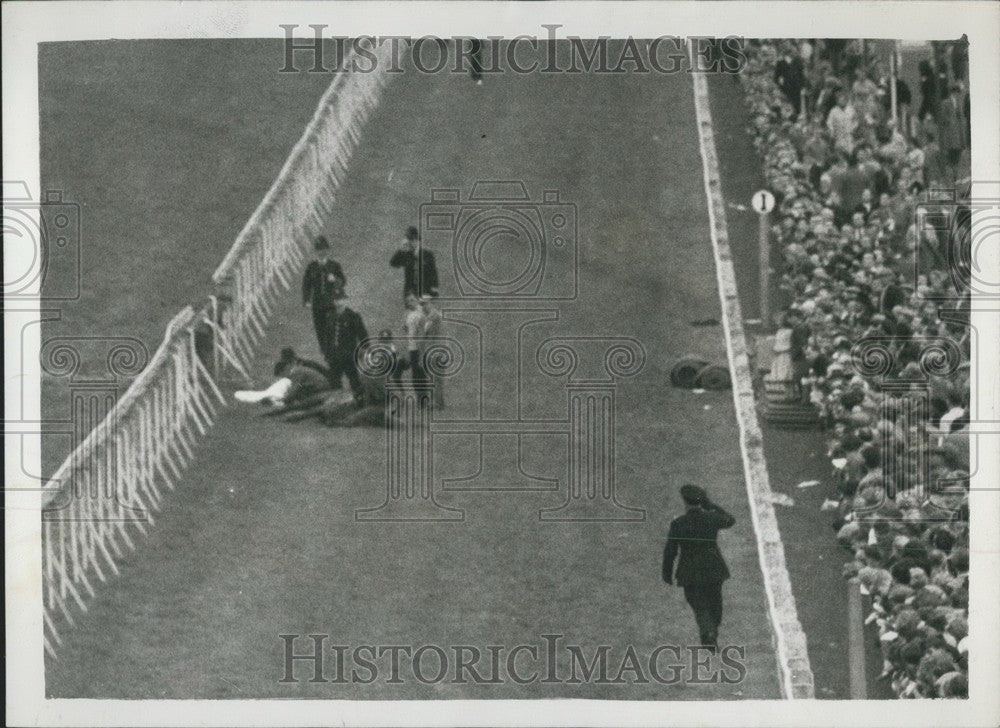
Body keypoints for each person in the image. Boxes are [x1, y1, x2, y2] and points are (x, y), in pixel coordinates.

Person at [662, 484, 736, 652]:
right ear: (701, 501)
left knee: (700, 605)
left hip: (690, 572)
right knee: (715, 603)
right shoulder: (711, 518)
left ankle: (708, 633)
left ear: (685, 503)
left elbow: (670, 551)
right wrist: (711, 506)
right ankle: (711, 631)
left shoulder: (678, 523)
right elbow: (730, 520)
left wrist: (667, 573)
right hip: (714, 568)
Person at [234, 350, 331, 409]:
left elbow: (294, 390)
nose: (284, 377)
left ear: (286, 368)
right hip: (321, 386)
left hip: (322, 389)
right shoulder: (298, 370)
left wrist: (284, 400)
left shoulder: (297, 373)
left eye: (283, 374)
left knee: (297, 399)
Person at [302, 236, 347, 360]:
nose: (321, 252)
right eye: (319, 250)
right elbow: (306, 285)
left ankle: (333, 350)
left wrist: (335, 280)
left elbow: (343, 281)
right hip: (317, 304)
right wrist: (306, 300)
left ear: (327, 250)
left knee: (331, 327)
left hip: (331, 303)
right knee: (320, 329)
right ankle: (326, 352)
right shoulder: (311, 267)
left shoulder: (334, 265)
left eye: (323, 249)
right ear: (316, 251)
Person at [324, 292, 369, 401]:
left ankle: (360, 402)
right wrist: (327, 353)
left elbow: (362, 334)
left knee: (354, 380)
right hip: (334, 356)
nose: (338, 302)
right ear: (333, 302)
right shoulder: (330, 316)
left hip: (349, 355)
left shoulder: (353, 316)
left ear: (345, 301)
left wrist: (365, 349)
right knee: (334, 381)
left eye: (341, 300)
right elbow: (327, 337)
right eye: (336, 300)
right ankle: (338, 404)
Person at [390, 225, 439, 299]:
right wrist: (400, 250)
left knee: (424, 310)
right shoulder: (405, 254)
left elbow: (433, 272)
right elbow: (393, 263)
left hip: (425, 290)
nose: (411, 242)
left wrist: (434, 288)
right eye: (409, 240)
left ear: (418, 240)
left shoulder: (428, 254)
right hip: (410, 293)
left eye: (413, 239)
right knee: (412, 310)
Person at [420, 293, 445, 409]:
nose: (423, 306)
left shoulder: (433, 316)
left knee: (436, 377)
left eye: (425, 304)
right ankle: (438, 402)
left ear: (430, 303)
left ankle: (437, 403)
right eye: (421, 304)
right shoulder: (432, 315)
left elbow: (426, 332)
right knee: (434, 377)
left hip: (435, 350)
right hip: (434, 350)